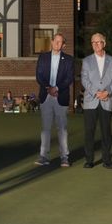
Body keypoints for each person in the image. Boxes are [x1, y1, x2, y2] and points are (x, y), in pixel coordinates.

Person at [34, 33, 74, 167]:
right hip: (46, 96)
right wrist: (48, 88)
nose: (57, 44)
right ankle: (44, 156)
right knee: (45, 128)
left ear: (63, 45)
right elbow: (39, 75)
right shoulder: (43, 57)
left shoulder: (68, 60)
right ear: (51, 42)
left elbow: (69, 78)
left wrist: (56, 88)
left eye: (60, 42)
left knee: (62, 129)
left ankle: (64, 157)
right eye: (55, 41)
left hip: (60, 96)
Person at [81, 33, 112, 169]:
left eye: (98, 42)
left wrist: (107, 92)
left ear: (104, 43)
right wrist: (96, 92)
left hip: (106, 100)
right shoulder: (86, 61)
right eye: (93, 42)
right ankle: (89, 160)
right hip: (91, 100)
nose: (96, 44)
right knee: (89, 131)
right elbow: (84, 80)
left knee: (106, 132)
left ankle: (107, 160)